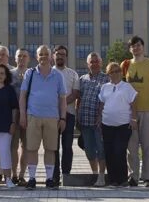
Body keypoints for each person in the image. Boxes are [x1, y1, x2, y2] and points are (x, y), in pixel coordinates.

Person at [19, 44, 68, 189]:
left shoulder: (58, 75)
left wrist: (63, 118)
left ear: (51, 56)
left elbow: (62, 99)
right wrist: (23, 115)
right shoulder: (30, 73)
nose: (44, 57)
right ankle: (32, 178)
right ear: (36, 57)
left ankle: (49, 179)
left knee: (50, 149)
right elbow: (22, 96)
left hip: (52, 117)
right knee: (32, 148)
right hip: (33, 116)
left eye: (46, 54)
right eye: (41, 54)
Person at [121, 35, 149, 186]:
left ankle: (148, 177)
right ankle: (133, 176)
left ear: (143, 47)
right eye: (133, 46)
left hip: (147, 110)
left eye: (138, 45)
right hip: (129, 112)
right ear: (130, 49)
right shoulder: (125, 65)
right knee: (131, 147)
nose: (136, 48)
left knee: (147, 146)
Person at [97, 62, 138, 187]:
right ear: (108, 74)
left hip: (123, 124)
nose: (115, 74)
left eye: (117, 71)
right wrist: (99, 118)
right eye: (112, 72)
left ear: (121, 72)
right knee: (109, 151)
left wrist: (134, 119)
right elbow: (101, 104)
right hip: (107, 124)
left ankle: (123, 179)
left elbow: (134, 103)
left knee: (119, 150)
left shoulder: (127, 87)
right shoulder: (104, 87)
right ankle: (113, 179)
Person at [76, 52, 109, 186]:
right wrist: (78, 116)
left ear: (101, 63)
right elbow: (79, 99)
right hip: (84, 121)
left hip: (99, 122)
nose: (94, 64)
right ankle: (94, 174)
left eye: (97, 61)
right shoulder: (82, 79)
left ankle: (101, 176)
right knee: (89, 150)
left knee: (101, 149)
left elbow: (107, 99)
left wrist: (101, 116)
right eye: (92, 61)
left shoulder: (106, 78)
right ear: (87, 64)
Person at [51, 44, 80, 180]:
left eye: (63, 54)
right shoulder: (48, 73)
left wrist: (61, 104)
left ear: (66, 57)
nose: (60, 57)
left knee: (67, 146)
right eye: (58, 54)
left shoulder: (72, 74)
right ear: (53, 56)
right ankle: (54, 175)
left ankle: (66, 174)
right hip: (51, 115)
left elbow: (74, 95)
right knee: (53, 147)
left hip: (69, 114)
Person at [12, 48, 31, 184]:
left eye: (24, 56)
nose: (22, 59)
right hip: (13, 114)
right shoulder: (9, 74)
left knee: (26, 146)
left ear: (28, 59)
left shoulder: (33, 74)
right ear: (15, 58)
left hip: (29, 115)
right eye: (19, 56)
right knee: (13, 146)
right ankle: (13, 174)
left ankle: (22, 175)